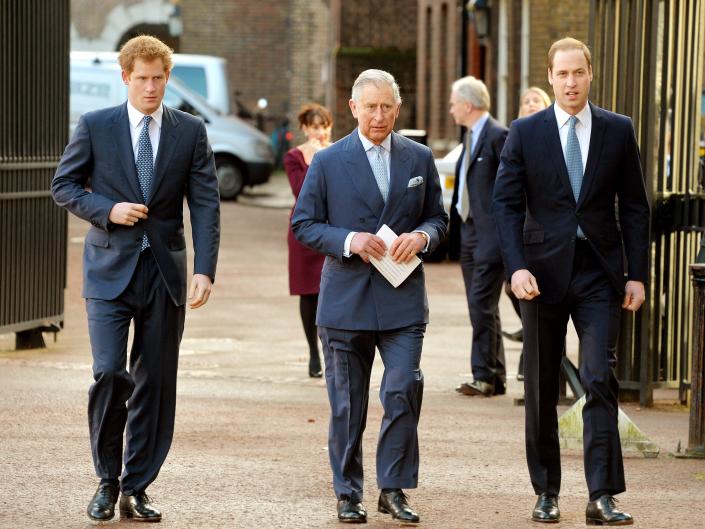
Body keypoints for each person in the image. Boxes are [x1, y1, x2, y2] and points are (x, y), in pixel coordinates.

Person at [52, 35, 220, 523]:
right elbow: (63, 185)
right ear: (125, 77)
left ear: (168, 79)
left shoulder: (190, 131)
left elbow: (206, 203)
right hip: (108, 272)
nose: (150, 86)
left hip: (164, 273)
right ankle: (106, 480)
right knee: (110, 372)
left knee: (157, 383)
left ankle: (137, 485)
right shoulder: (96, 125)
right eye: (141, 78)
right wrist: (108, 210)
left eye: (158, 78)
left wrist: (205, 268)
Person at [493, 37, 649, 525]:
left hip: (600, 274)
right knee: (541, 384)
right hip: (539, 275)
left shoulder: (617, 130)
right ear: (550, 76)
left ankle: (602, 495)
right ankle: (546, 490)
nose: (570, 82)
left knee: (599, 377)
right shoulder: (525, 132)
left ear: (590, 73)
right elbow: (505, 205)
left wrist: (637, 275)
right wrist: (515, 267)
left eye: (578, 73)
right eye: (561, 74)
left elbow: (637, 208)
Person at [291, 69, 448, 524]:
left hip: (403, 299)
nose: (379, 115)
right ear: (353, 108)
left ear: (398, 109)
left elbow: (439, 219)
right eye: (370, 107)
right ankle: (348, 491)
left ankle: (393, 489)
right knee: (347, 403)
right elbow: (303, 224)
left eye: (387, 107)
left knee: (402, 389)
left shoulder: (419, 159)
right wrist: (348, 240)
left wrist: (422, 236)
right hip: (345, 301)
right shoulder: (327, 161)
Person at [448, 76, 508, 397]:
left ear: (468, 105)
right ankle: (494, 376)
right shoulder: (471, 137)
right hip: (469, 233)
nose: (451, 109)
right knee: (482, 305)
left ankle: (483, 375)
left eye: (454, 103)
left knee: (481, 304)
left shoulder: (499, 136)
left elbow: (512, 191)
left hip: (490, 236)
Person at [502, 86, 553, 379]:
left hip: (547, 235)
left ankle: (535, 365)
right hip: (520, 230)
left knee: (543, 303)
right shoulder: (516, 136)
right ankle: (530, 354)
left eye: (537, 100)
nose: (531, 104)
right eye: (526, 101)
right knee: (517, 290)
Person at [284, 103, 333, 377]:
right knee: (308, 294)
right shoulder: (294, 156)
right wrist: (314, 159)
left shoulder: (338, 152)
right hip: (303, 232)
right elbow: (300, 191)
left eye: (323, 125)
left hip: (332, 229)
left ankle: (330, 350)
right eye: (314, 126)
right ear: (304, 128)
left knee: (331, 291)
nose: (319, 131)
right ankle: (313, 354)